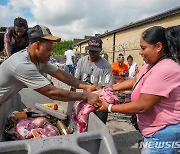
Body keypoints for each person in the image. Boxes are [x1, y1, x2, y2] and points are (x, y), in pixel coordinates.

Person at [98, 25, 180, 153]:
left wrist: (109, 107)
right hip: (153, 131)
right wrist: (110, 88)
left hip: (161, 133)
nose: (140, 52)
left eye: (143, 48)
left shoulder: (165, 69)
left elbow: (142, 106)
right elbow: (137, 79)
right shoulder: (151, 64)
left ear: (158, 47)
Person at [0, 25, 101, 109]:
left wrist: (85, 86)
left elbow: (60, 74)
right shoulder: (22, 64)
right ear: (37, 46)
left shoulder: (38, 60)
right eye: (48, 49)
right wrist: (85, 96)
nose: (50, 53)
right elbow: (52, 92)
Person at [72, 36, 114, 123]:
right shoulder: (81, 61)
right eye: (91, 50)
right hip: (85, 99)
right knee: (82, 124)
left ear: (100, 50)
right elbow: (75, 81)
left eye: (95, 51)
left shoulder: (106, 66)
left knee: (98, 126)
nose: (92, 53)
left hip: (99, 102)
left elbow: (106, 89)